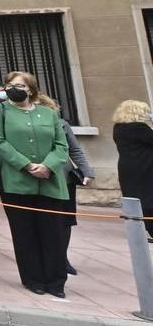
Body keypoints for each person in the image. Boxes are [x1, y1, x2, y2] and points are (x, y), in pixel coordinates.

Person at [0, 71, 70, 298]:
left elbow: (61, 145)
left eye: (20, 85)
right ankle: (33, 278)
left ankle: (56, 280)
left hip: (50, 181)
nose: (15, 89)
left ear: (31, 89)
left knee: (53, 232)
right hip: (16, 181)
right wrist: (26, 165)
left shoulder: (48, 113)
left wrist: (48, 166)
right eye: (11, 85)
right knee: (24, 232)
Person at [112, 100, 153, 243]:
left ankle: (142, 228)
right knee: (149, 198)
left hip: (127, 168)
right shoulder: (139, 127)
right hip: (145, 167)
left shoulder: (118, 127)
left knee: (136, 198)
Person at [59, 115, 93, 275]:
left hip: (65, 179)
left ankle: (62, 257)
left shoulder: (62, 124)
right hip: (41, 180)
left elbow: (74, 150)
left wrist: (86, 171)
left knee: (66, 220)